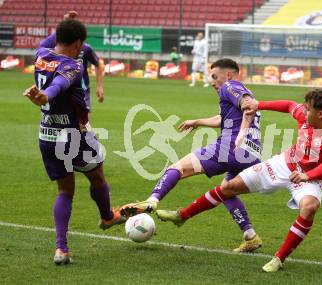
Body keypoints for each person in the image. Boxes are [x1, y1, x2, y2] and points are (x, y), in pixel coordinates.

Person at [155, 88, 322, 272]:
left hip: (310, 178)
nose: (303, 110)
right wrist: (258, 104)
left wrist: (307, 176)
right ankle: (183, 216)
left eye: (308, 108)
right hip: (284, 164)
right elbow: (289, 105)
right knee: (229, 187)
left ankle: (279, 258)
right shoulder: (304, 116)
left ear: (320, 114)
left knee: (309, 207)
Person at [121, 58, 263, 252]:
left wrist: (241, 132)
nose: (212, 81)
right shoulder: (240, 90)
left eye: (214, 76)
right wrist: (197, 121)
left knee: (178, 168)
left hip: (230, 147)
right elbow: (224, 117)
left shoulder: (229, 86)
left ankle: (152, 200)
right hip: (252, 153)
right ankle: (250, 235)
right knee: (227, 191)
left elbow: (248, 105)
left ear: (228, 75)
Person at [22, 18, 124, 266]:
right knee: (97, 176)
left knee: (65, 190)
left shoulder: (40, 54)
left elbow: (52, 46)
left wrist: (64, 21)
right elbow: (59, 84)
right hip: (74, 135)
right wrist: (45, 94)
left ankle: (61, 249)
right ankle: (107, 217)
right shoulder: (73, 66)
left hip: (47, 134)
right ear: (79, 42)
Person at [39, 11, 105, 107]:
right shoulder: (57, 49)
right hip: (61, 93)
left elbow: (99, 64)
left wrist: (99, 87)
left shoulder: (86, 49)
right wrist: (65, 26)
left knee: (80, 121)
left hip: (81, 94)